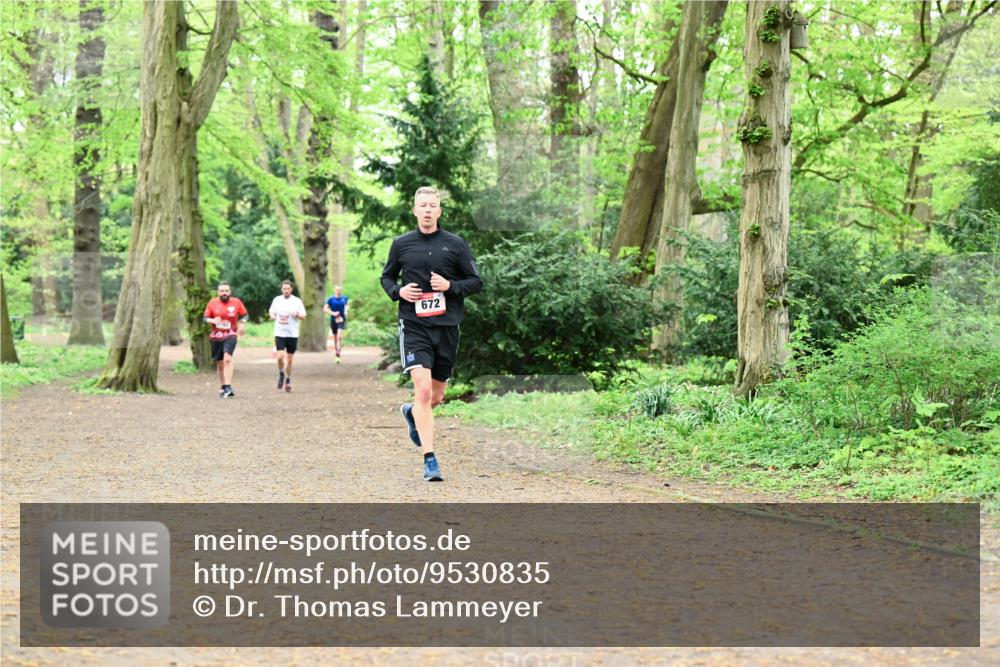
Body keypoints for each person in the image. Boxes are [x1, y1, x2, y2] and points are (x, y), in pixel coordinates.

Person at [380, 186, 483, 481]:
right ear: (415, 210)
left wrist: (450, 287)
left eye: (432, 205)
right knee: (423, 390)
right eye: (422, 205)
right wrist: (398, 291)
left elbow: (476, 282)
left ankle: (412, 412)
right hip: (414, 326)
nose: (427, 210)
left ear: (439, 211)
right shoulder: (401, 244)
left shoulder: (455, 244)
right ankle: (430, 460)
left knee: (436, 397)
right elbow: (386, 277)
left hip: (447, 327)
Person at [203, 282, 248, 398]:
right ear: (218, 292)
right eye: (222, 291)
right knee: (220, 363)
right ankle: (223, 386)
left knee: (227, 358)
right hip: (216, 335)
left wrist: (243, 324)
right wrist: (213, 321)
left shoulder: (236, 302)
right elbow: (205, 318)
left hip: (231, 334)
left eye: (226, 291)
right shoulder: (212, 303)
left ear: (230, 292)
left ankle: (228, 386)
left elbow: (245, 315)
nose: (224, 293)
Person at [269, 280, 307, 392]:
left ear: (291, 289)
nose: (286, 290)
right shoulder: (277, 300)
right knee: (280, 357)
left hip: (292, 334)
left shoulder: (297, 301)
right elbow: (271, 312)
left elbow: (304, 316)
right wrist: (273, 316)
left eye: (288, 289)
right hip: (280, 333)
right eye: (284, 289)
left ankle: (288, 379)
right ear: (281, 289)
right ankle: (281, 373)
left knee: (289, 360)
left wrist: (297, 314)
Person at [323, 286, 349, 364]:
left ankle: (338, 351)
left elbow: (346, 306)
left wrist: (346, 311)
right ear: (335, 290)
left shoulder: (344, 298)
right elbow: (325, 309)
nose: (338, 291)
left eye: (340, 290)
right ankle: (337, 352)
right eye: (337, 290)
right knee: (335, 337)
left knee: (339, 336)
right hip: (333, 319)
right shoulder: (331, 299)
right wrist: (333, 313)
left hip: (341, 319)